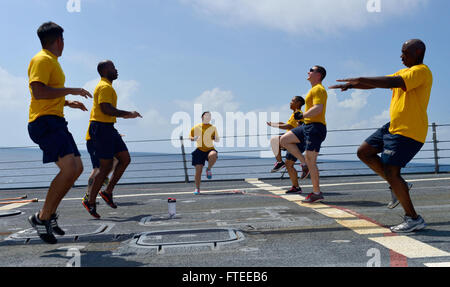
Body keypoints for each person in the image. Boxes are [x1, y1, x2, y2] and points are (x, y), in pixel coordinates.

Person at [329, 39, 432, 233]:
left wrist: (361, 78)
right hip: (392, 127)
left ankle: (413, 218)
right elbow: (380, 83)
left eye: (405, 52)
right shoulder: (403, 72)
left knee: (393, 172)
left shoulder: (421, 71)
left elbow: (392, 83)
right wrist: (354, 85)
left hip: (409, 130)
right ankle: (397, 186)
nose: (401, 56)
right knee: (364, 152)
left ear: (418, 52)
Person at [27, 22, 92, 244]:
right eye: (63, 41)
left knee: (77, 168)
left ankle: (50, 214)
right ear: (59, 41)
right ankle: (41, 218)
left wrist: (67, 102)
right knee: (69, 169)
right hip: (44, 123)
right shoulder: (42, 59)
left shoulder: (51, 61)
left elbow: (48, 92)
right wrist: (72, 89)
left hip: (55, 121)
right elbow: (38, 91)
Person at [82, 60, 142, 218]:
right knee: (105, 167)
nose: (116, 70)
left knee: (125, 158)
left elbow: (107, 111)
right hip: (101, 128)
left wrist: (125, 115)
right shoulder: (104, 87)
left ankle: (107, 192)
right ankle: (90, 201)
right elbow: (105, 109)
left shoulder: (107, 86)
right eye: (113, 68)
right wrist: (128, 113)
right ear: (104, 70)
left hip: (108, 128)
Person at [280, 66, 328, 203]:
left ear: (319, 75)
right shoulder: (313, 89)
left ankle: (316, 193)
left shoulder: (319, 89)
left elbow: (318, 109)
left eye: (311, 70)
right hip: (306, 126)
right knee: (284, 140)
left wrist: (302, 114)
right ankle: (303, 163)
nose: (308, 72)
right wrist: (302, 117)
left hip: (315, 127)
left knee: (311, 160)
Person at [267, 96, 309, 193]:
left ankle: (279, 162)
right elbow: (287, 123)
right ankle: (296, 187)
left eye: (292, 101)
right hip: (292, 141)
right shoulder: (295, 114)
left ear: (298, 103)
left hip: (295, 142)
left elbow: (289, 126)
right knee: (289, 165)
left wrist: (275, 125)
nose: (290, 103)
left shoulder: (298, 113)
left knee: (274, 140)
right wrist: (273, 124)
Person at [190, 111, 219, 195]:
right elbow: (190, 137)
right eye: (206, 116)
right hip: (199, 150)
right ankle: (197, 188)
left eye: (209, 116)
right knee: (198, 171)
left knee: (213, 154)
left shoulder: (213, 128)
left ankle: (208, 169)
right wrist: (194, 138)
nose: (208, 117)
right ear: (202, 117)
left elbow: (216, 139)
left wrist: (215, 137)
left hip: (210, 149)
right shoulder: (196, 127)